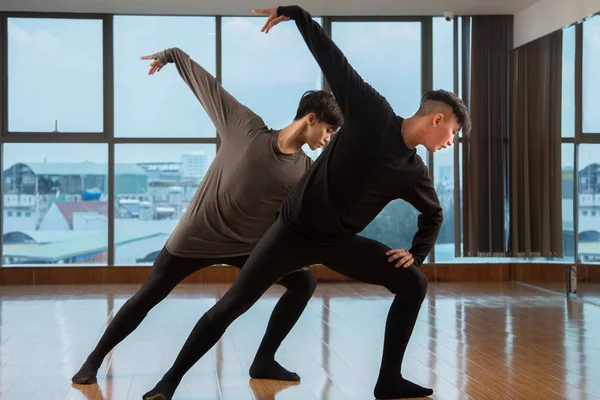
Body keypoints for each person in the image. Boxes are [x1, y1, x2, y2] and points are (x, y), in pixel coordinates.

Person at [141, 5, 471, 400]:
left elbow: (433, 213)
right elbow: (332, 58)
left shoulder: (414, 171)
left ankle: (388, 381)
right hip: (291, 233)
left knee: (413, 283)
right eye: (453, 133)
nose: (450, 143)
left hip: (338, 243)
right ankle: (168, 382)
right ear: (437, 120)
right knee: (233, 304)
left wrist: (416, 254)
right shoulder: (371, 111)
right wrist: (297, 14)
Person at [71, 45, 343, 386]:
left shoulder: (307, 171)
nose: (329, 139)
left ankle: (263, 360)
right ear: (311, 118)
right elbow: (209, 86)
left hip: (247, 246)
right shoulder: (245, 126)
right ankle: (92, 362)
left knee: (304, 281)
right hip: (196, 235)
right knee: (148, 296)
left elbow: (305, 220)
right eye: (329, 131)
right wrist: (172, 55)